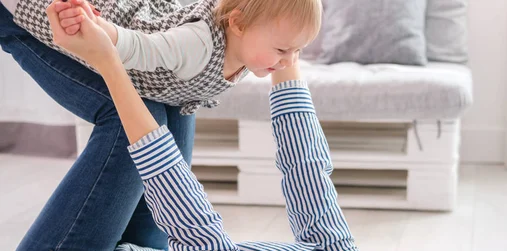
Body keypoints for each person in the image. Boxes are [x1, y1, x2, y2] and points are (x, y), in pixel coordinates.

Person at [2, 3, 507, 251]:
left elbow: (199, 234)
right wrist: (286, 54)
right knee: (175, 90)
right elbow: (310, 185)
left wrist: (109, 62)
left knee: (128, 117)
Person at [2, 0, 321, 115]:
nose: (288, 61)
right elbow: (140, 47)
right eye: (283, 50)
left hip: (149, 56)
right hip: (115, 23)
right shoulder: (197, 44)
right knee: (53, 13)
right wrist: (101, 29)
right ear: (237, 23)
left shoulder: (251, 50)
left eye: (297, 50)